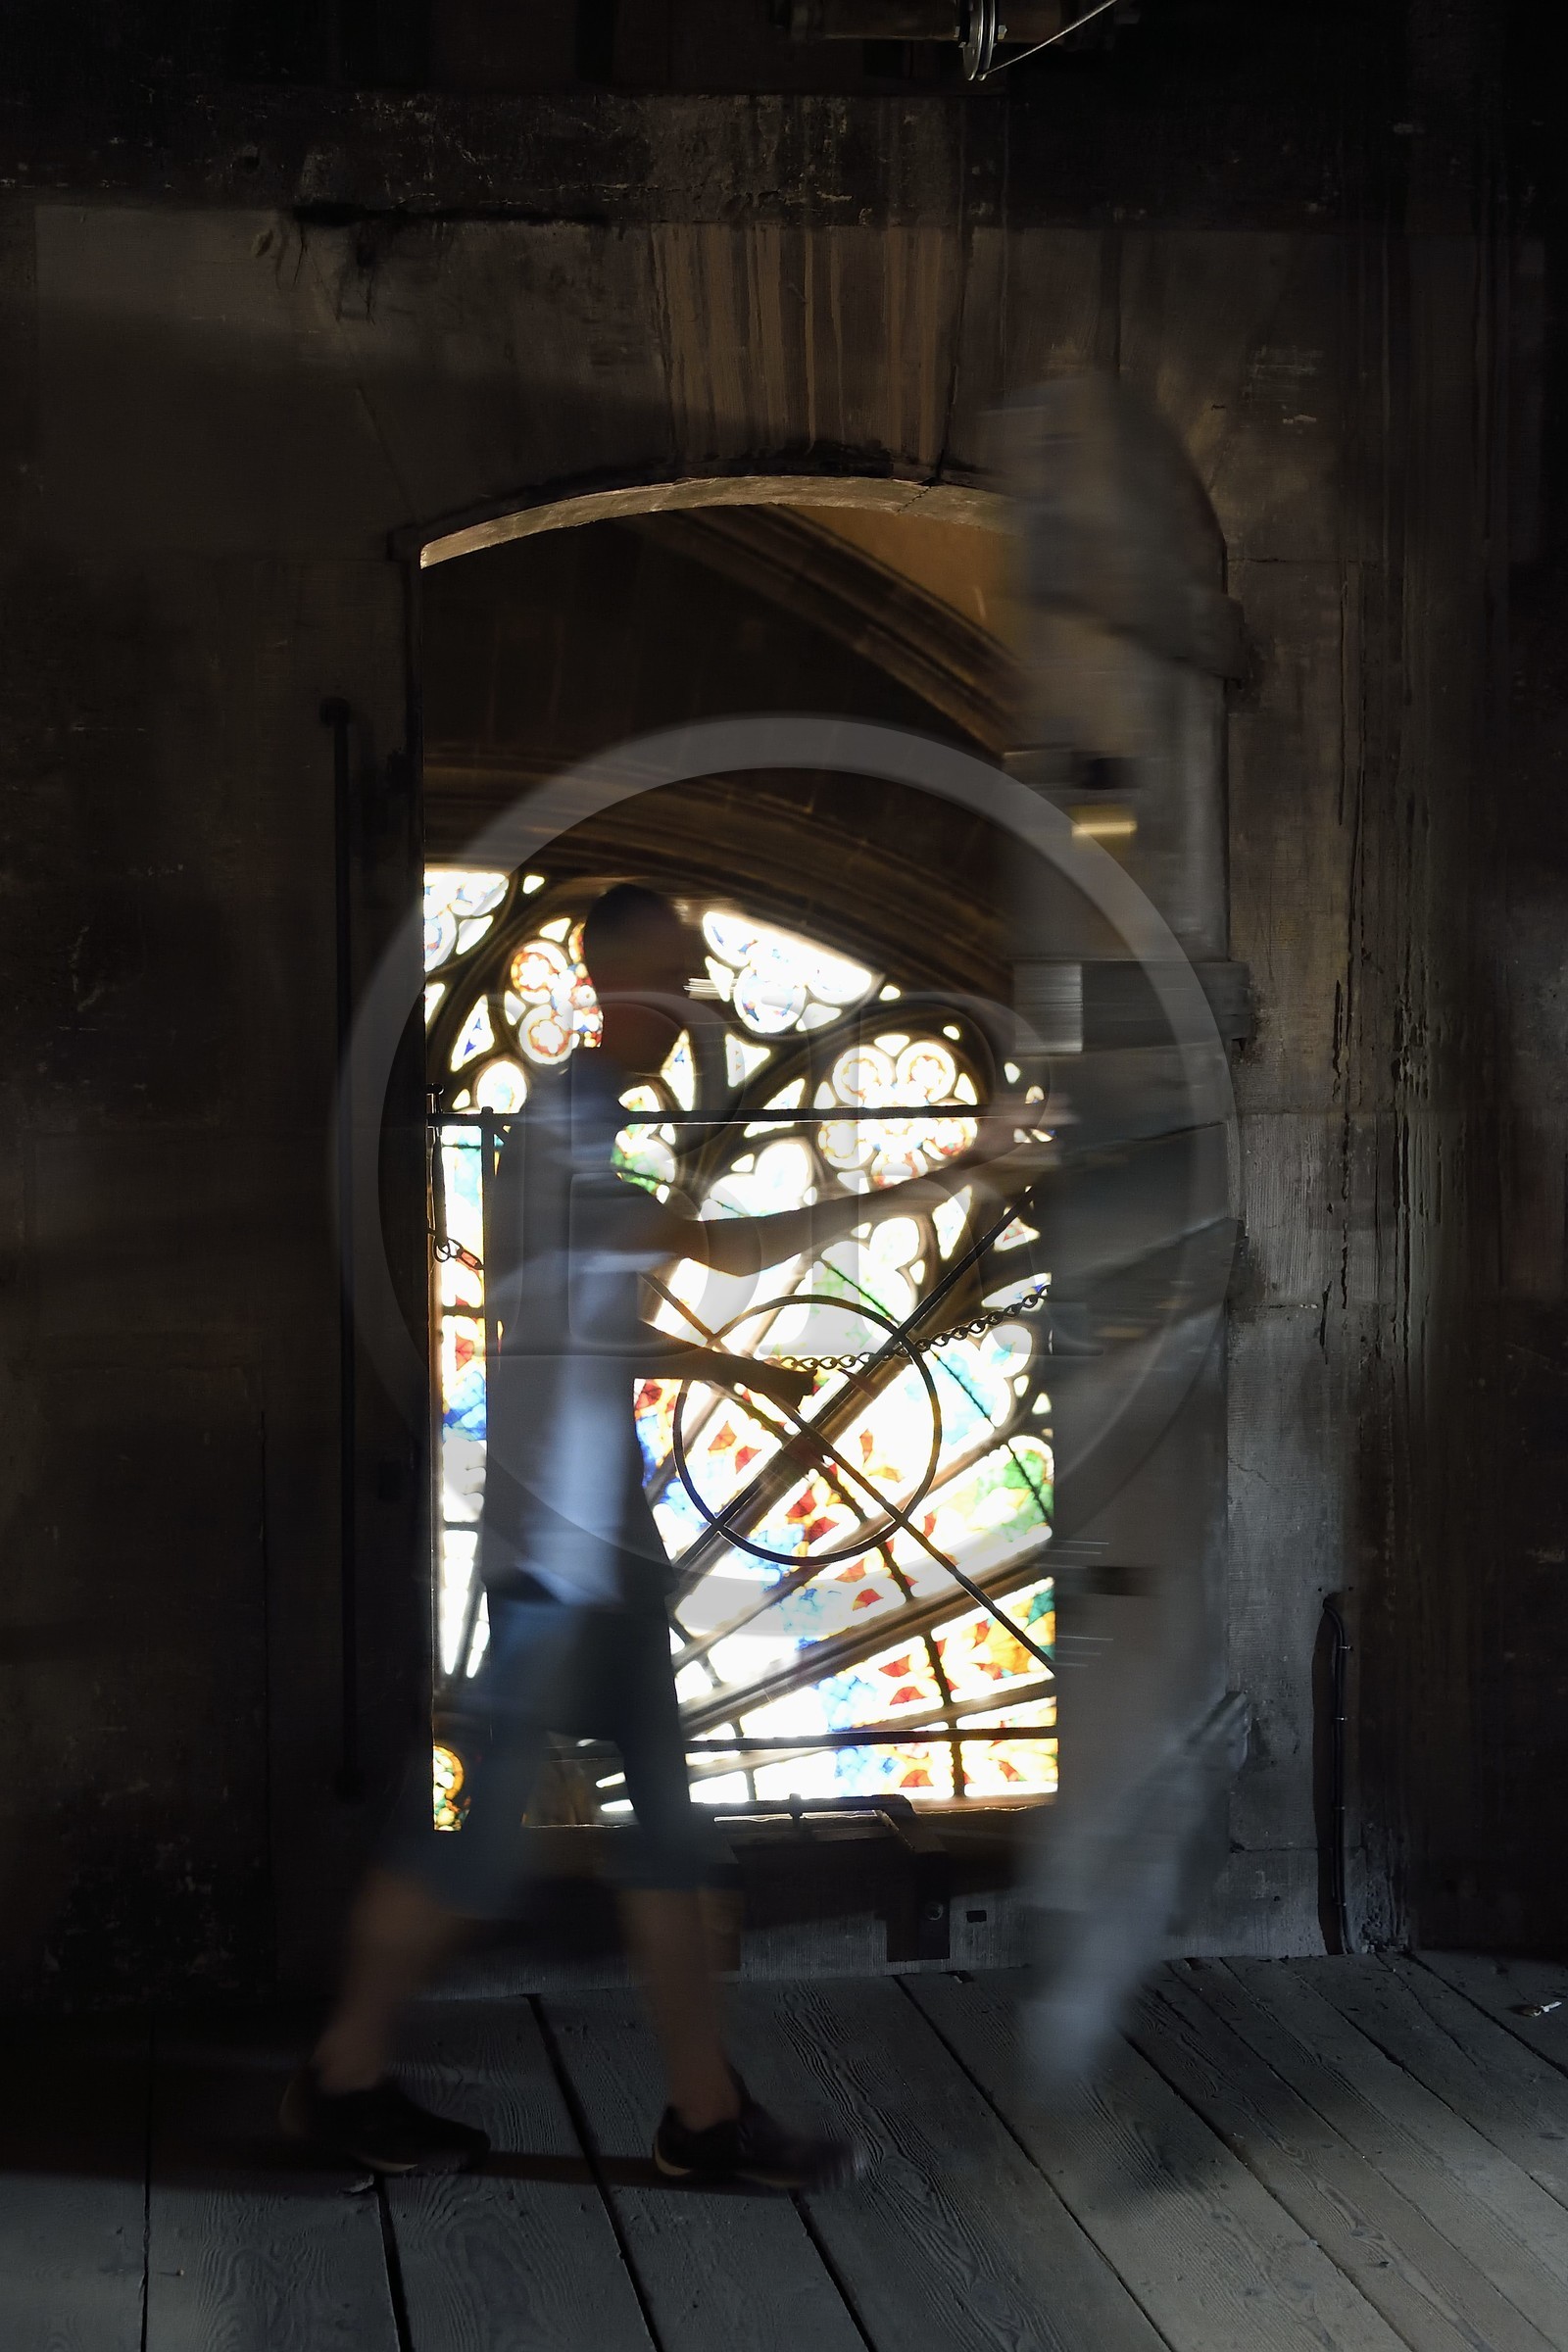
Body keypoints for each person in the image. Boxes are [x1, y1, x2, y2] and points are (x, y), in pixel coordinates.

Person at [283, 883, 1023, 2184]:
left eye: (693, 978)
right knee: (472, 1854)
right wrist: (960, 1174)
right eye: (671, 977)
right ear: (610, 983)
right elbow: (731, 1249)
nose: (689, 1007)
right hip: (560, 1559)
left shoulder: (570, 1133)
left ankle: (702, 2116)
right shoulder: (564, 1128)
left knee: (668, 1835)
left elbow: (578, 1318)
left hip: (593, 1546)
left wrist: (730, 1380)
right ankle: (344, 2078)